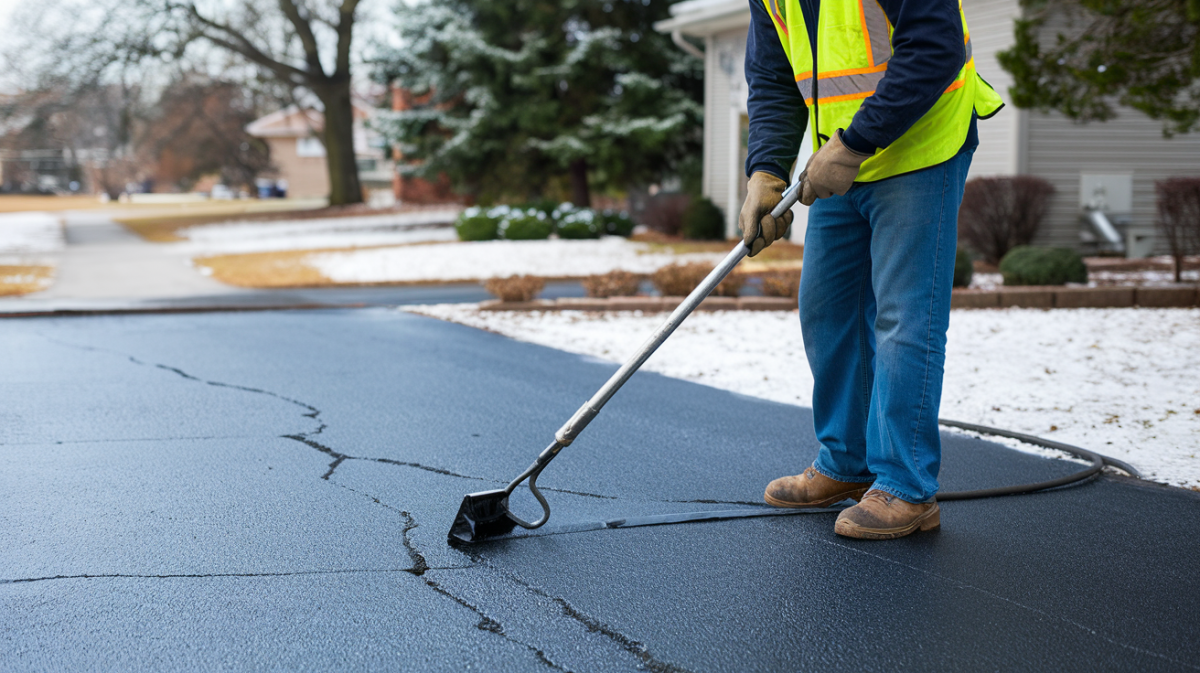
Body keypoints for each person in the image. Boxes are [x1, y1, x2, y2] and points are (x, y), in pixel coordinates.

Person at [740, 0, 1003, 539]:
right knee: (827, 309)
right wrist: (765, 170)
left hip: (918, 145)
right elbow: (772, 78)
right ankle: (846, 463)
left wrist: (858, 141)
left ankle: (906, 487)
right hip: (837, 158)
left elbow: (934, 45)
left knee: (905, 317)